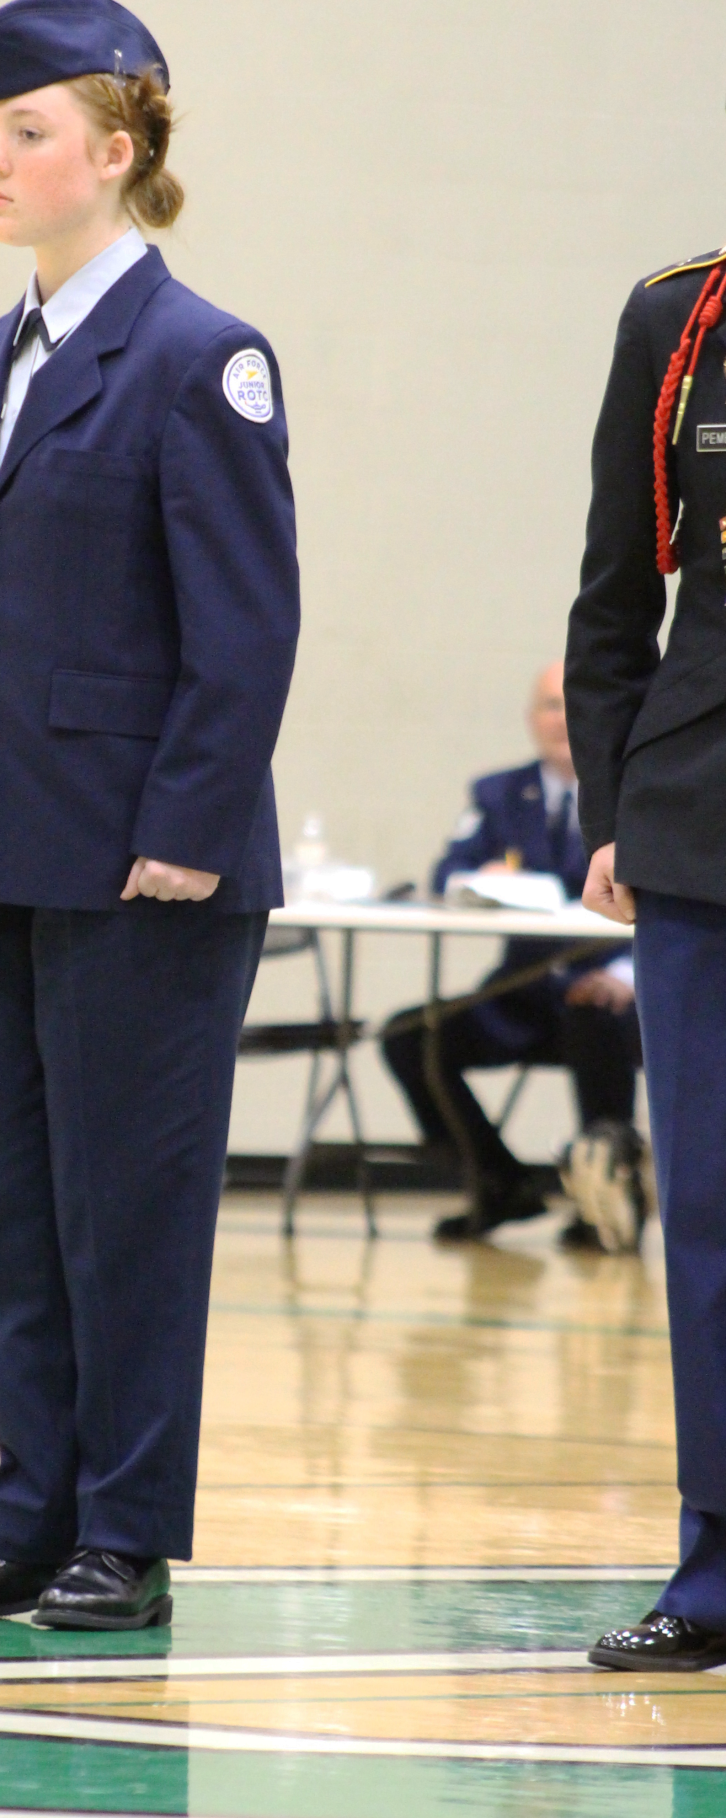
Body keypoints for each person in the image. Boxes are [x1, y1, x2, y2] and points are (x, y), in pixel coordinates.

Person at [0, 0, 299, 1631]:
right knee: (17, 1203)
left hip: (146, 861)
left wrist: (189, 826)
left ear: (117, 155)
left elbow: (244, 624)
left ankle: (124, 1530)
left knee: (128, 1213)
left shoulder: (203, 359)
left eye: (28, 132)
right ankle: (28, 1509)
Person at [568, 241, 726, 1674]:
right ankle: (718, 1570)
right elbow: (618, 590)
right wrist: (611, 812)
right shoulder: (683, 319)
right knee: (715, 1220)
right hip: (704, 827)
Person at [382, 661, 642, 1244]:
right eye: (551, 705)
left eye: (575, 705)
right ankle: (500, 1183)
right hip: (521, 993)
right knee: (410, 1037)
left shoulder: (636, 790)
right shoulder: (498, 793)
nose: (563, 719)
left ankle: (609, 1203)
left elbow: (661, 899)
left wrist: (627, 976)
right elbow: (447, 872)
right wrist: (480, 880)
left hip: (614, 995)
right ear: (532, 719)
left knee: (592, 1012)